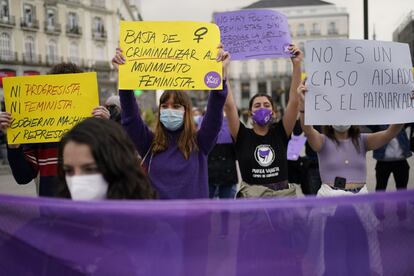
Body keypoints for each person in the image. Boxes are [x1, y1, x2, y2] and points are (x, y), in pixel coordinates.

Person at [111, 46, 230, 199]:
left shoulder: (200, 142)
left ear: (186, 111)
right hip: (158, 221)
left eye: (176, 106)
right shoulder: (148, 143)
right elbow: (130, 120)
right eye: (164, 106)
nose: (169, 110)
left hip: (194, 221)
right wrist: (125, 77)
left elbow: (214, 116)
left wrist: (219, 75)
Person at [0, 63, 111, 197]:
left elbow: (115, 167)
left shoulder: (94, 128)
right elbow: (23, 177)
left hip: (90, 211)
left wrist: (108, 129)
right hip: (52, 212)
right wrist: (13, 146)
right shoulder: (37, 132)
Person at [297, 79, 404, 196]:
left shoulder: (363, 140)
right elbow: (308, 130)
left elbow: (389, 133)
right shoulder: (322, 141)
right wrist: (303, 105)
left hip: (360, 200)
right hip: (330, 199)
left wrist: (406, 109)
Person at [224, 44, 303, 197]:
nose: (262, 108)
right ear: (249, 113)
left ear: (273, 112)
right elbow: (229, 105)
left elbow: (294, 101)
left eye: (267, 105)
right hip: (252, 198)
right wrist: (223, 69)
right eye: (257, 105)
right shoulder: (242, 134)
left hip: (282, 198)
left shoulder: (281, 132)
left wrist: (297, 64)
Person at [56, 117, 156, 200]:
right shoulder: (60, 221)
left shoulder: (144, 220)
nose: (76, 179)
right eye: (69, 171)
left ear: (117, 166)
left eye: (90, 169)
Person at [366, 125, 411, 191]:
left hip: (401, 160)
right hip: (383, 161)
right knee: (380, 187)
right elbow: (368, 124)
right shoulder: (380, 123)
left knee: (402, 189)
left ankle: (402, 201)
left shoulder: (400, 122)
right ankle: (379, 201)